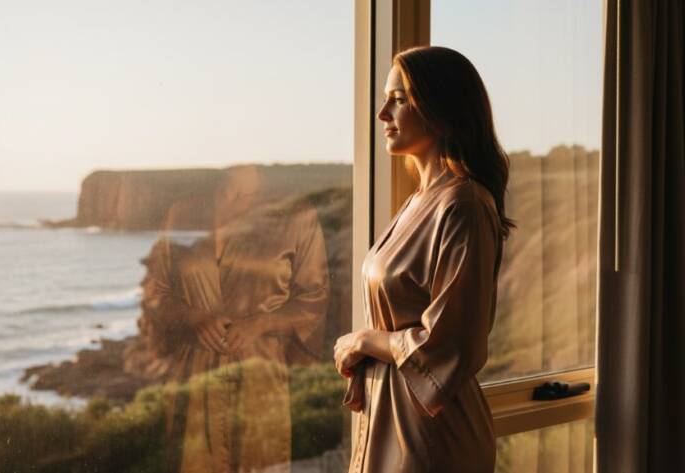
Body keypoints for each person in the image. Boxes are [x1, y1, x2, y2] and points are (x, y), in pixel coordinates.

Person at [334, 46, 515, 473]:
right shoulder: (420, 201)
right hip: (393, 417)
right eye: (385, 98)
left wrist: (365, 341)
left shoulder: (464, 205)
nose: (382, 114)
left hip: (432, 435)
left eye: (398, 100)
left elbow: (453, 342)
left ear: (440, 108)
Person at [139, 165, 330, 473]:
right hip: (193, 381)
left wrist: (261, 323)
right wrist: (193, 316)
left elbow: (314, 297)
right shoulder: (184, 212)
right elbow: (154, 291)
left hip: (260, 377)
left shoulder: (294, 215)